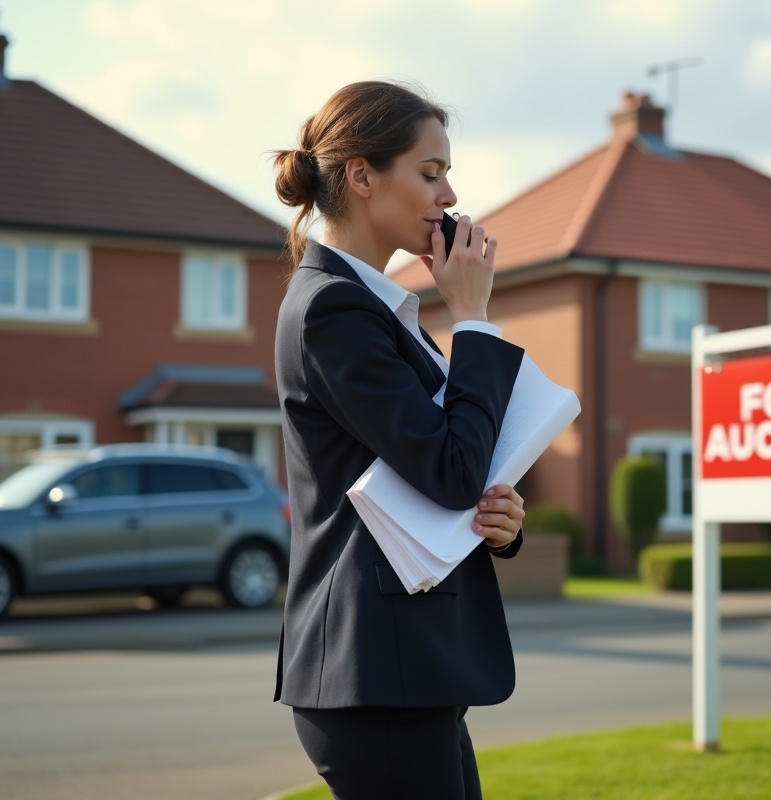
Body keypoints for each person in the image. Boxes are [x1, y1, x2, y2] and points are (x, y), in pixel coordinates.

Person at [271, 81, 527, 800]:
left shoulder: (383, 314)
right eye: (430, 171)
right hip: (374, 679)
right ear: (361, 175)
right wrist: (472, 316)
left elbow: (444, 468)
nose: (449, 195)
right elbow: (449, 469)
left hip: (406, 672)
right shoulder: (332, 310)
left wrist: (497, 520)